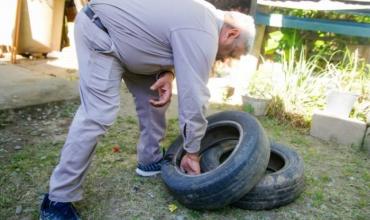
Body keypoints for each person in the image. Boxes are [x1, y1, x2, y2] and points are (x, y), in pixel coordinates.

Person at [40, 0, 255, 219]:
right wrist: (192, 151)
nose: (225, 58)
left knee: (155, 96)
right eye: (232, 53)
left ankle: (150, 160)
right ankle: (57, 200)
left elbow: (165, 35)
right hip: (101, 31)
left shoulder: (205, 15)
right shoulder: (205, 31)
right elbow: (193, 96)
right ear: (231, 33)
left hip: (129, 41)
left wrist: (168, 73)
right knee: (97, 114)